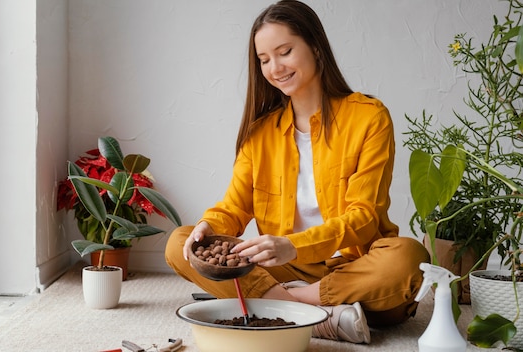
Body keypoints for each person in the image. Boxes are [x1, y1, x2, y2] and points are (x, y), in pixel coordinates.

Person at [165, 0, 429, 344]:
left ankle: (287, 307)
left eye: (284, 51)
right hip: (282, 270)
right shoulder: (260, 133)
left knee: (409, 258)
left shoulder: (369, 117)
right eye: (264, 60)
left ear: (316, 48)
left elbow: (364, 216)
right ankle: (321, 318)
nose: (275, 68)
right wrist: (209, 226)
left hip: (355, 269)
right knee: (180, 244)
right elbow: (234, 207)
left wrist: (293, 245)